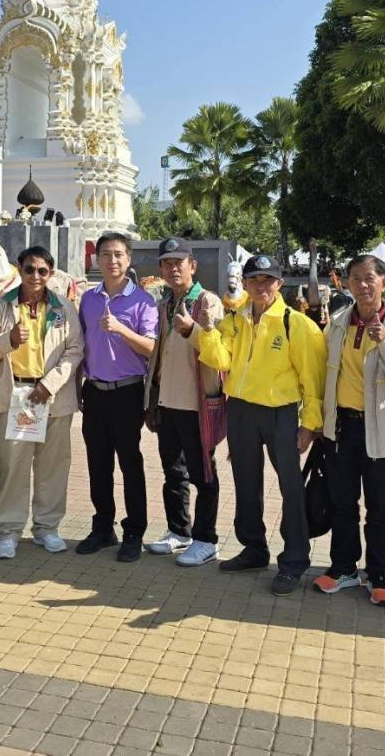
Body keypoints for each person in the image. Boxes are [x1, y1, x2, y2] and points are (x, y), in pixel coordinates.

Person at [196, 253, 326, 595]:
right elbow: (220, 359)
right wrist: (208, 331)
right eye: (254, 280)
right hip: (240, 409)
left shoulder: (296, 324)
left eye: (267, 280)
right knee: (246, 482)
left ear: (279, 284)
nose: (260, 286)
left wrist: (309, 424)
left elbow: (313, 380)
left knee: (291, 487)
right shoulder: (236, 319)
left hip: (281, 413)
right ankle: (253, 548)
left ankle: (295, 559)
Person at [315, 255, 385, 607]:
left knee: (381, 509)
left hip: (381, 432)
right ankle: (343, 568)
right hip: (341, 428)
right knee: (342, 504)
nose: (362, 284)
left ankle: (379, 575)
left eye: (369, 277)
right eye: (355, 278)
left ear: (384, 282)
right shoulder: (339, 323)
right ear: (347, 283)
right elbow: (323, 374)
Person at [0, 245, 83, 559]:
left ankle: (47, 528)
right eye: (29, 269)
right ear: (19, 270)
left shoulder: (63, 308)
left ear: (50, 274)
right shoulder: (1, 306)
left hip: (53, 396)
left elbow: (75, 350)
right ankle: (8, 531)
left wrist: (49, 385)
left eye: (43, 271)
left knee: (53, 467)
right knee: (13, 468)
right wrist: (7, 340)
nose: (35, 276)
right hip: (17, 397)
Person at [141, 237, 225, 567]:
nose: (173, 268)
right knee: (173, 472)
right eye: (167, 263)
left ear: (193, 266)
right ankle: (180, 530)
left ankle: (207, 539)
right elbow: (158, 357)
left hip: (197, 405)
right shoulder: (165, 304)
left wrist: (193, 330)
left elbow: (218, 353)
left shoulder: (207, 302)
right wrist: (152, 400)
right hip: (167, 402)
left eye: (180, 262)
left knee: (203, 474)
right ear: (161, 269)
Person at [76, 232, 159, 562]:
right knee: (98, 463)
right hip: (94, 391)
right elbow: (81, 344)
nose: (112, 261)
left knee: (130, 463)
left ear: (129, 260)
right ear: (97, 260)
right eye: (106, 254)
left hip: (127, 391)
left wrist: (122, 329)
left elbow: (152, 348)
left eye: (119, 255)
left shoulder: (143, 301)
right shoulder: (88, 299)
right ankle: (102, 528)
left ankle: (134, 531)